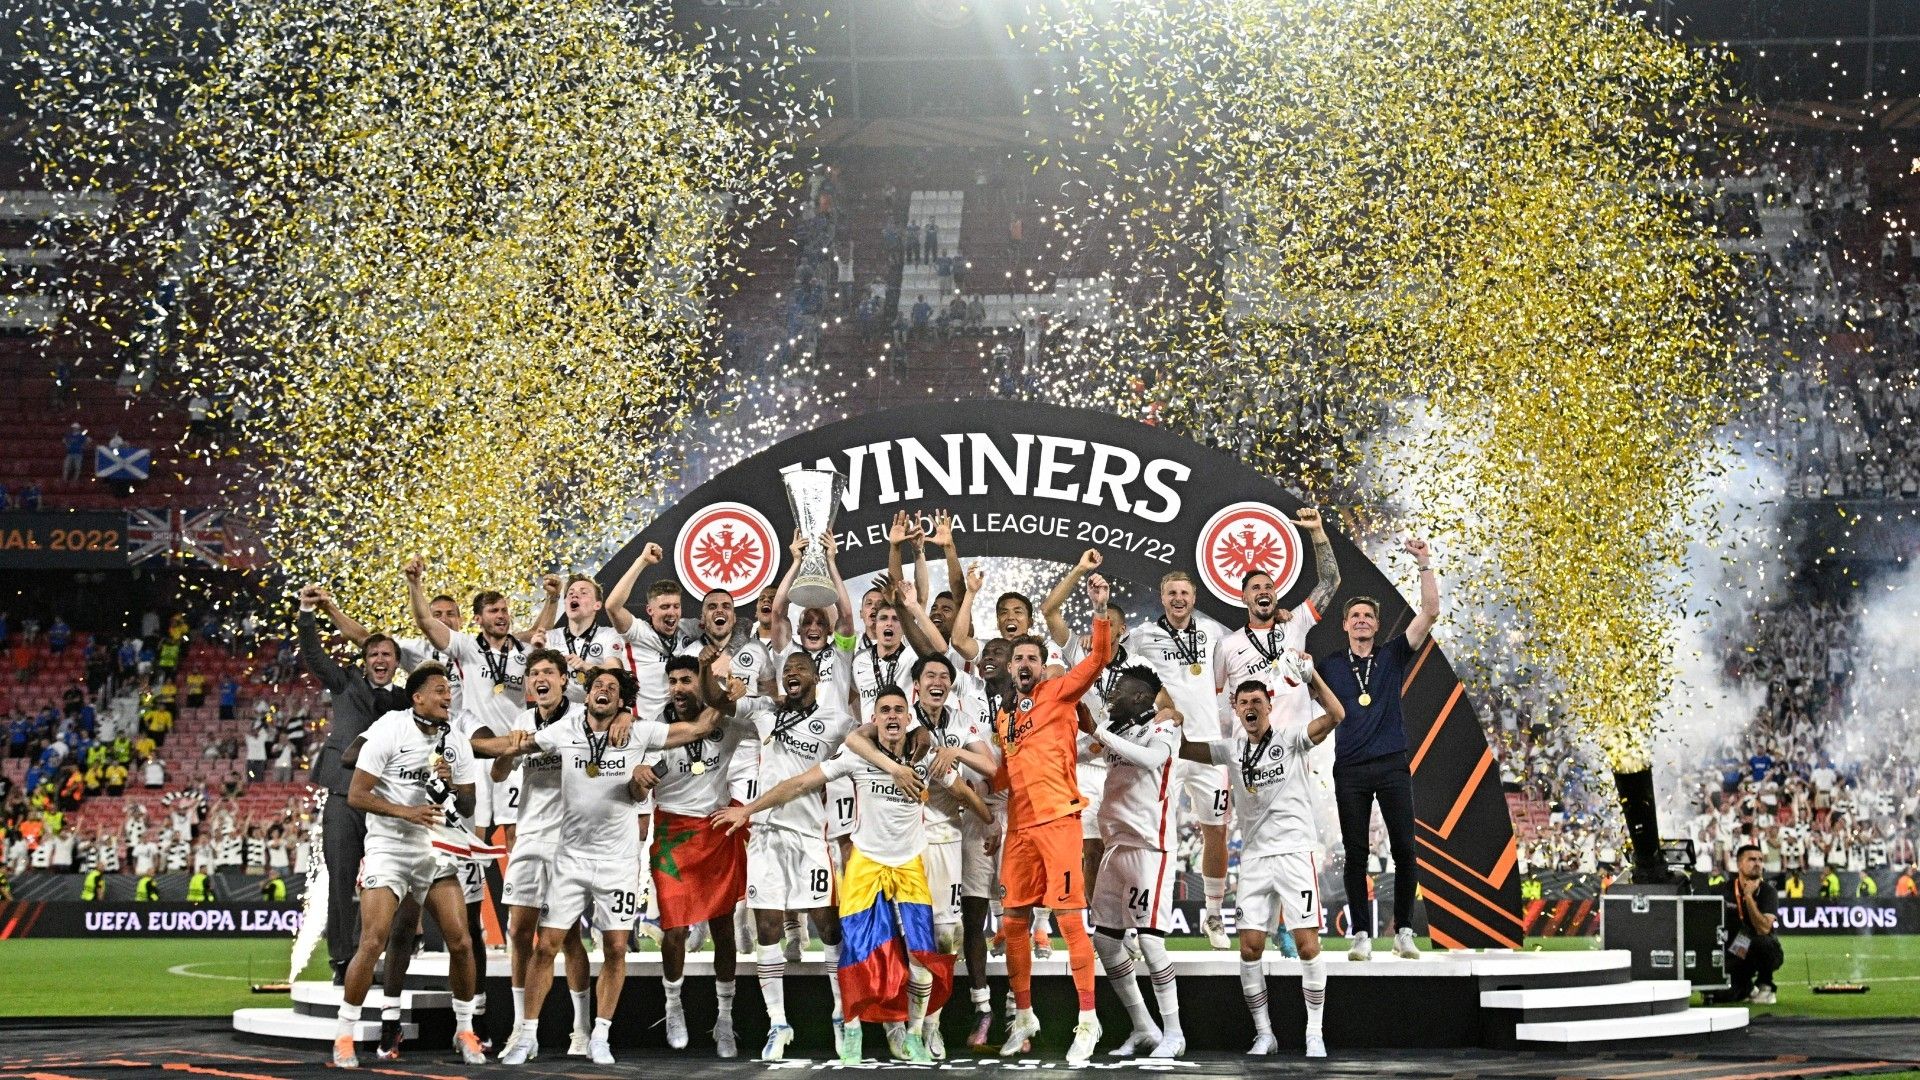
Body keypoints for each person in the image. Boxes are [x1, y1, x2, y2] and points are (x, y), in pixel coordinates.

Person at [713, 685, 990, 1065]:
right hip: (866, 864)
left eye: (898, 710)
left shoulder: (925, 760)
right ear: (873, 720)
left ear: (909, 719)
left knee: (922, 955)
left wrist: (991, 825)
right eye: (884, 710)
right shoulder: (855, 757)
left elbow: (964, 793)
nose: (892, 716)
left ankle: (913, 1035)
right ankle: (854, 1030)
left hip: (909, 864)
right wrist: (748, 810)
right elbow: (797, 784)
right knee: (855, 954)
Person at [496, 666, 723, 1065]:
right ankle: (525, 1035)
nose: (603, 690)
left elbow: (698, 730)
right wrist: (494, 745)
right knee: (546, 946)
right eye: (597, 685)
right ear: (589, 695)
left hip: (618, 861)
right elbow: (513, 749)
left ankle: (600, 1035)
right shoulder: (564, 731)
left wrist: (725, 698)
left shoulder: (638, 731)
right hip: (568, 857)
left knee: (616, 947)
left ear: (622, 702)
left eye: (612, 688)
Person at [843, 651, 996, 1061]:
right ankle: (896, 1026)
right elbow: (854, 738)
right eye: (929, 675)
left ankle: (930, 1025)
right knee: (893, 939)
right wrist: (892, 766)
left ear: (950, 685)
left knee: (944, 940)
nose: (937, 682)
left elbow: (987, 770)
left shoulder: (958, 723)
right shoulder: (901, 723)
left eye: (944, 677)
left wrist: (957, 757)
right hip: (900, 844)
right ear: (916, 685)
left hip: (946, 840)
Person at [332, 664, 486, 1069]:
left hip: (435, 848)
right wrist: (406, 812)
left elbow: (468, 807)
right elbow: (356, 795)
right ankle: (345, 1033)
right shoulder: (389, 728)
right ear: (417, 697)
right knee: (373, 941)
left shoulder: (456, 740)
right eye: (439, 691)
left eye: (449, 691)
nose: (448, 697)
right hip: (388, 847)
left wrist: (450, 783)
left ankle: (465, 1029)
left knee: (462, 940)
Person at [1188, 677, 1344, 1057]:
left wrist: (1313, 681)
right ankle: (1264, 1034)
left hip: (1293, 852)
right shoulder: (1230, 748)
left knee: (1308, 946)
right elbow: (1185, 749)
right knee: (1250, 948)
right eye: (1243, 702)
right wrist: (1168, 717)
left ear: (1269, 705)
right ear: (1236, 709)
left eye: (1256, 700)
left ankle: (1314, 1033)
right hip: (1255, 858)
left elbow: (1337, 714)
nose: (1250, 707)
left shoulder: (1291, 738)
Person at [994, 574, 1113, 1066]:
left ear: (1043, 668)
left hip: (1060, 820)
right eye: (1017, 658)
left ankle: (1088, 1020)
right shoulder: (1005, 718)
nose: (1024, 664)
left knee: (1068, 921)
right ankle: (1024, 1015)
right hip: (1018, 829)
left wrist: (1100, 610)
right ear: (1008, 666)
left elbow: (1098, 658)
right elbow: (1004, 773)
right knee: (1013, 921)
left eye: (1031, 659)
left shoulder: (1061, 693)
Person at [1314, 537, 1437, 961]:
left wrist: (1423, 562)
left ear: (1377, 625)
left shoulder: (1392, 655)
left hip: (1391, 765)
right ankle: (1361, 935)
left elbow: (1430, 613)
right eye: (1355, 616)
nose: (1362, 620)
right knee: (1356, 855)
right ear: (1345, 625)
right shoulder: (1328, 664)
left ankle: (1404, 931)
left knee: (1405, 849)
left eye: (1369, 615)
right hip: (1349, 768)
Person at [732, 651, 855, 1060]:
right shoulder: (766, 711)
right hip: (766, 834)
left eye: (800, 668)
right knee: (767, 927)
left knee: (828, 928)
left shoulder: (835, 720)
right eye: (787, 671)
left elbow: (863, 743)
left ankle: (841, 1017)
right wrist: (713, 676)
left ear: (816, 675)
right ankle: (778, 1024)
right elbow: (720, 702)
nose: (792, 675)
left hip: (810, 838)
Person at [297, 585, 411, 985]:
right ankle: (342, 962)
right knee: (341, 878)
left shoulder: (405, 702)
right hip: (344, 795)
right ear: (364, 661)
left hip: (384, 801)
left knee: (383, 881)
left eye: (387, 655)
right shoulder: (345, 684)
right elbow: (312, 654)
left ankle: (370, 955)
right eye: (374, 654)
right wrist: (308, 612)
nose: (380, 659)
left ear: (398, 663)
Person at [488, 650, 599, 1061]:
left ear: (564, 678)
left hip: (569, 838)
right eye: (534, 673)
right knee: (518, 932)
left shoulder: (581, 717)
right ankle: (522, 1029)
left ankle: (582, 1029)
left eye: (548, 672)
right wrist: (508, 753)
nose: (540, 678)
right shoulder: (521, 721)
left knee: (567, 935)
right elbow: (499, 774)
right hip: (530, 834)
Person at [646, 653, 752, 1057]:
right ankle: (673, 1006)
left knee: (723, 930)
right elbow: (636, 784)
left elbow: (766, 722)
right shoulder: (652, 728)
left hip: (716, 830)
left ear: (700, 683)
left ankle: (724, 1019)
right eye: (672, 680)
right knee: (674, 931)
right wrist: (639, 782)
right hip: (672, 833)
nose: (678, 688)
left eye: (686, 680)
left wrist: (739, 691)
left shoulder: (726, 719)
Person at [1080, 661, 1187, 1057]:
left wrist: (1097, 731)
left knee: (1150, 942)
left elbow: (1151, 760)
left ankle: (1174, 1033)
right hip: (1115, 848)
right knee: (1106, 943)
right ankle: (1144, 1027)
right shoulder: (1117, 730)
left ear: (1141, 696)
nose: (1111, 695)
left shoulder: (1163, 726)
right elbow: (1076, 754)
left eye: (1119, 689)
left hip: (1150, 847)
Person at [1134, 569, 1235, 947]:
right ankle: (1149, 915)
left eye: (1185, 593)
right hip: (1166, 747)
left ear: (1194, 598)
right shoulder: (1142, 636)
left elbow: (1224, 680)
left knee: (1217, 831)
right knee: (1156, 833)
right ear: (1162, 597)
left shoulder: (1212, 633)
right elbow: (1117, 668)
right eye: (1172, 592)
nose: (1179, 598)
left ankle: (1213, 917)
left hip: (1209, 748)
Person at [1717, 843, 1782, 1006]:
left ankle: (1766, 986)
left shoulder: (1768, 891)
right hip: (1735, 950)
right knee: (1718, 994)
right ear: (1739, 864)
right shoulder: (1723, 890)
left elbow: (1763, 928)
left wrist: (1748, 896)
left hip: (1760, 947)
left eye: (1760, 860)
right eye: (1752, 859)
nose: (1758, 863)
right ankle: (1746, 987)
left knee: (1764, 941)